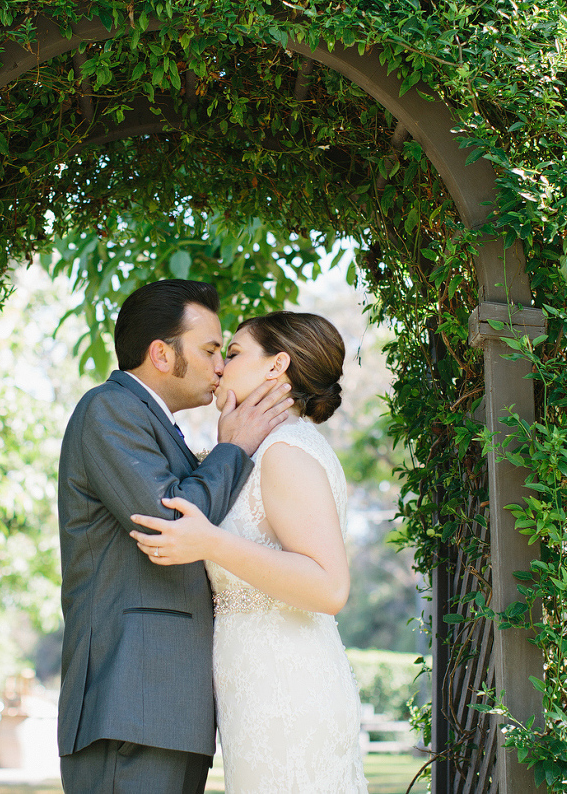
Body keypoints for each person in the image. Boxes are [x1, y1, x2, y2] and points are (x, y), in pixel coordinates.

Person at [56, 279, 293, 794]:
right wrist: (235, 448)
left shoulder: (160, 428)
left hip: (169, 705)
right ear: (161, 354)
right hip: (130, 700)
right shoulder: (107, 410)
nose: (220, 366)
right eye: (211, 350)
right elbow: (174, 523)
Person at [130, 310, 369, 793]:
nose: (219, 367)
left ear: (276, 367)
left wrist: (211, 541)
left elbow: (329, 585)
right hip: (255, 691)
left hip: (289, 691)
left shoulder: (286, 451)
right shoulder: (260, 452)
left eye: (234, 353)